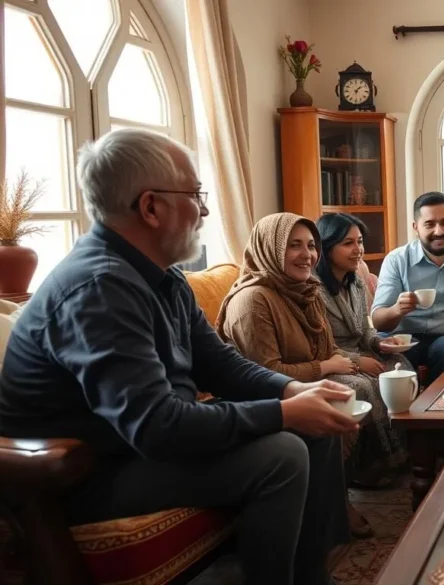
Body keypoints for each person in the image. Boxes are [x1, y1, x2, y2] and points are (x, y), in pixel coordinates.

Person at [0, 128, 358, 585]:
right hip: (83, 476)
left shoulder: (162, 278)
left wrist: (293, 389)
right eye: (195, 194)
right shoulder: (99, 287)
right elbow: (157, 427)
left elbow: (221, 364)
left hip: (138, 450)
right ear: (151, 207)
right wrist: (284, 413)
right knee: (283, 453)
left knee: (318, 422)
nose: (205, 209)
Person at [216, 211, 374, 538]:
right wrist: (327, 370)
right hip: (263, 399)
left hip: (302, 383)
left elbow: (328, 348)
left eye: (311, 245)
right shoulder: (251, 301)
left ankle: (336, 499)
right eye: (294, 246)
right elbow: (262, 373)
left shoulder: (306, 290)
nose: (308, 255)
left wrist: (346, 362)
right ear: (270, 249)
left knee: (354, 388)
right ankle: (333, 506)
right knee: (346, 393)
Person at [316, 212, 410, 487]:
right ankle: (367, 468)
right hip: (332, 357)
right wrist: (359, 361)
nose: (358, 250)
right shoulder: (313, 288)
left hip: (359, 349)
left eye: (359, 242)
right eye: (348, 243)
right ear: (326, 246)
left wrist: (378, 342)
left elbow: (365, 328)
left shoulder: (356, 281)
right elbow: (320, 345)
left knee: (401, 364)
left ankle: (401, 454)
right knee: (363, 385)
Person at [370, 192, 444, 385]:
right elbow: (378, 321)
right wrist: (397, 309)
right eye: (429, 224)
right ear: (415, 227)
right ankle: (401, 410)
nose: (439, 231)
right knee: (387, 346)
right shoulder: (397, 260)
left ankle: (436, 410)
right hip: (403, 336)